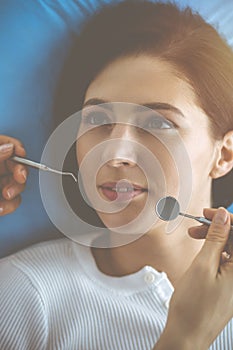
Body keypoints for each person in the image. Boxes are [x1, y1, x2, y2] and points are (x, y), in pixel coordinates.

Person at [1, 1, 233, 349]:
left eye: (158, 124)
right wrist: (185, 340)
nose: (114, 153)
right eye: (97, 120)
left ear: (224, 154)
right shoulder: (25, 295)